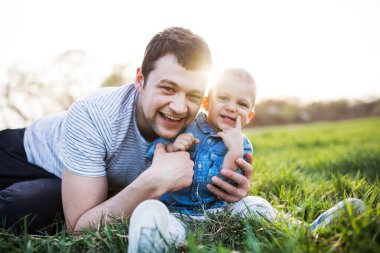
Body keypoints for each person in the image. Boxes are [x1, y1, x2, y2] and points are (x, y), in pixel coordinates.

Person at [0, 27, 254, 234]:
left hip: (72, 181)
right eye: (167, 88)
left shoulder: (197, 127)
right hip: (21, 154)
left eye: (193, 95)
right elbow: (78, 229)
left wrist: (230, 186)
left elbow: (211, 173)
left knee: (32, 204)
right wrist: (153, 181)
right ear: (140, 80)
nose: (178, 107)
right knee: (19, 209)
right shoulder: (94, 113)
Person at [127, 68, 367, 253]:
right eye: (224, 99)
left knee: (256, 205)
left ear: (249, 115)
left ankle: (308, 229)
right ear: (208, 102)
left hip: (221, 211)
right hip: (177, 213)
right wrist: (173, 146)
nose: (232, 108)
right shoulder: (185, 124)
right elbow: (157, 161)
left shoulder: (243, 144)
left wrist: (233, 151)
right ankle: (152, 242)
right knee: (152, 211)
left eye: (241, 104)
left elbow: (224, 186)